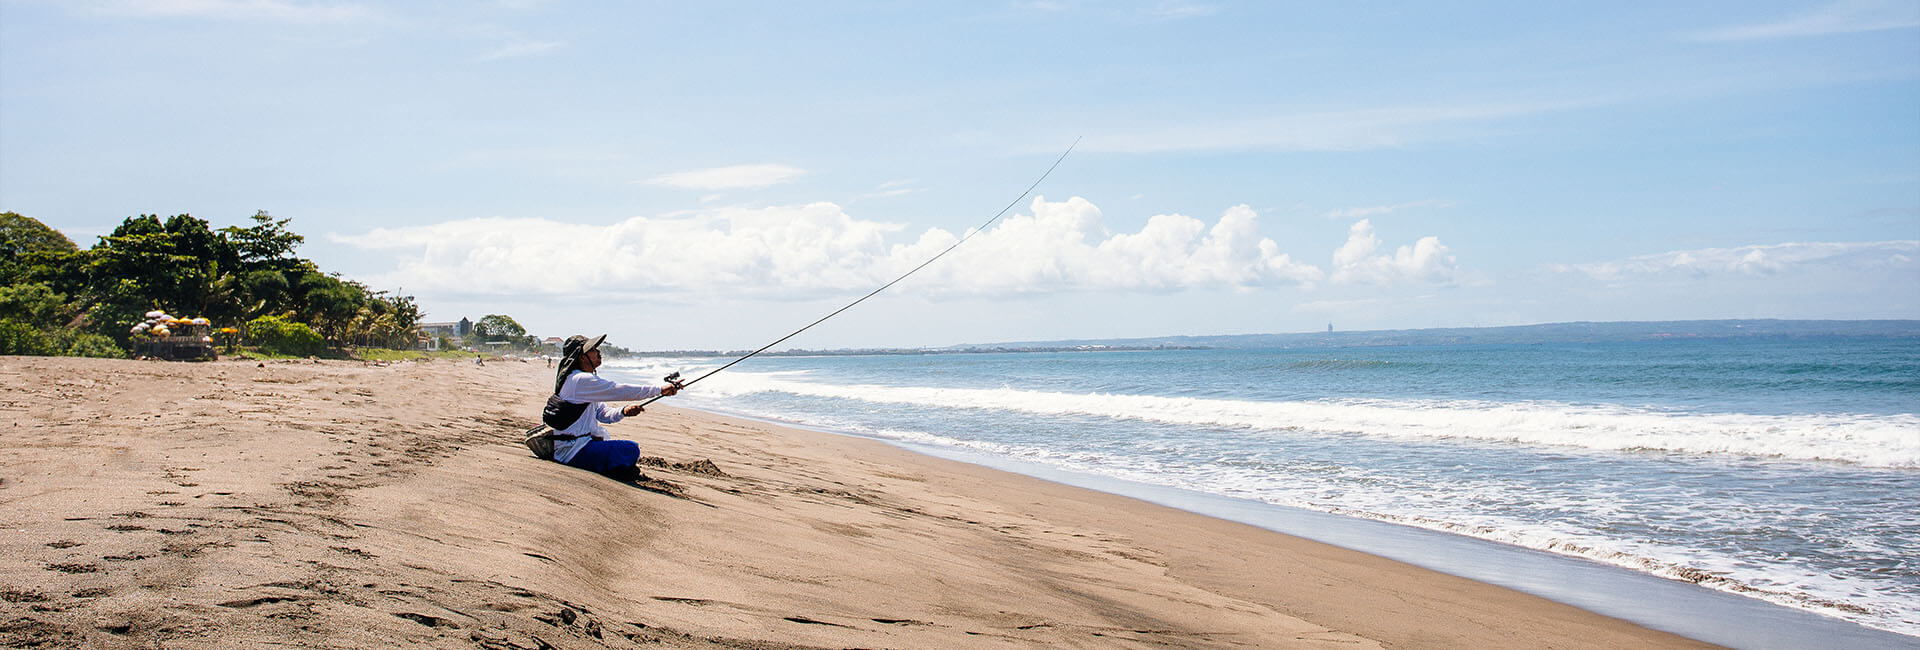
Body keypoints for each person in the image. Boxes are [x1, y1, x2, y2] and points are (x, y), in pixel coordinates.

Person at [545, 334, 679, 480]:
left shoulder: (579, 380)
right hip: (573, 451)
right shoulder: (580, 380)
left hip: (574, 446)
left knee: (624, 449)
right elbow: (618, 390)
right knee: (631, 450)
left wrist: (623, 411)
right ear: (582, 357)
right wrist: (659, 390)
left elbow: (603, 414)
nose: (598, 352)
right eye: (593, 349)